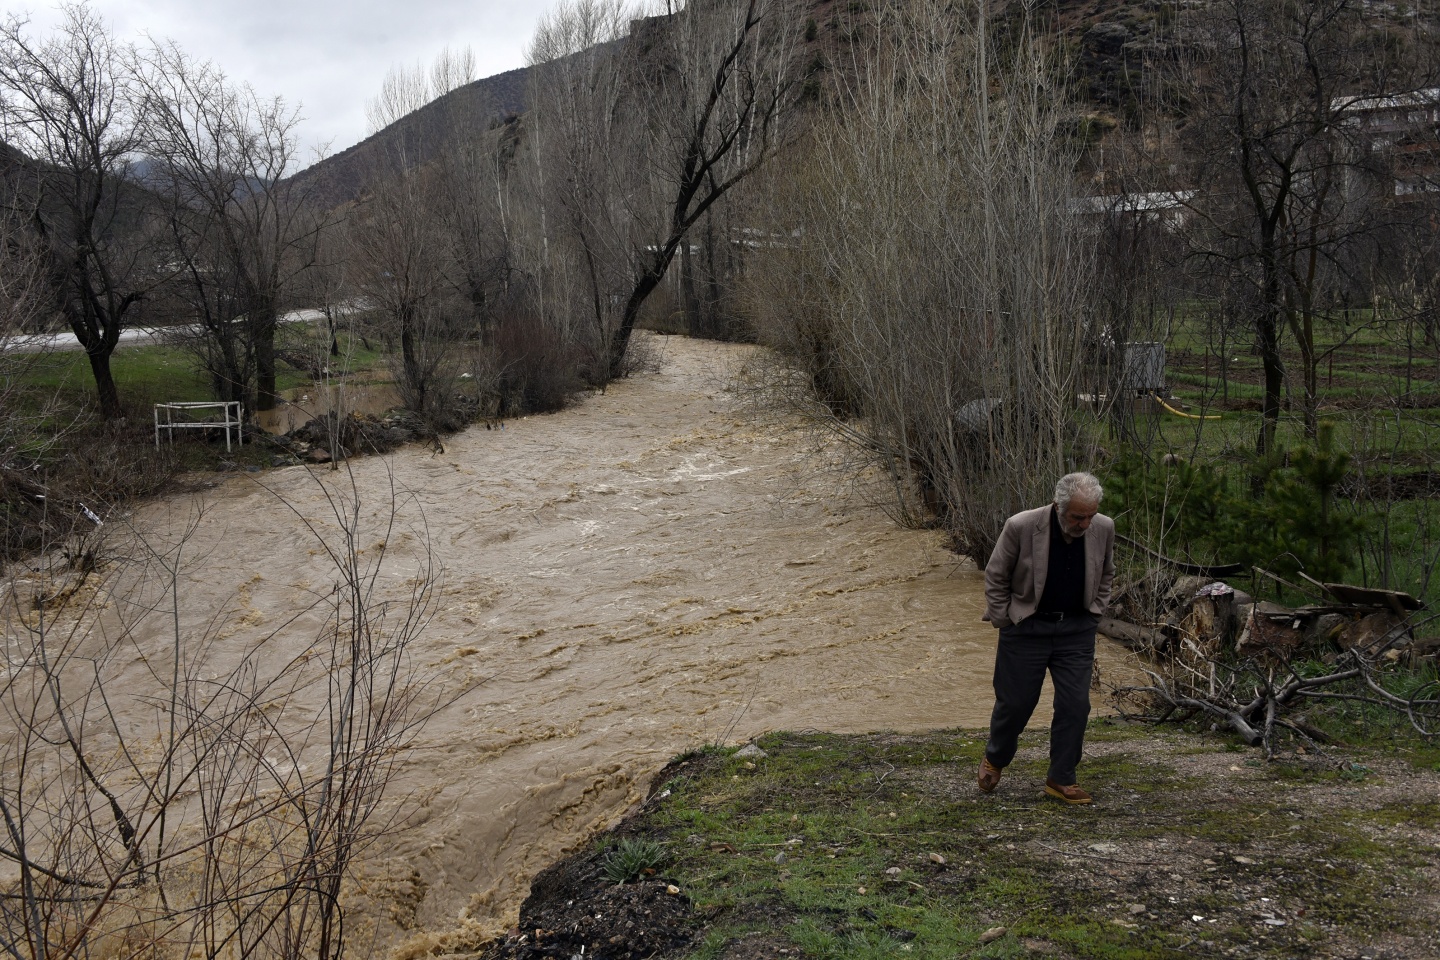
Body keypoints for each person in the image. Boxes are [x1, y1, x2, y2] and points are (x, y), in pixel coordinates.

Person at [978, 472, 1115, 805]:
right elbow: (995, 577)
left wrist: (1096, 610)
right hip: (1026, 629)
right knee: (1017, 703)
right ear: (1058, 507)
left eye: (1090, 516)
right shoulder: (1021, 526)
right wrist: (1005, 621)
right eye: (1077, 517)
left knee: (1076, 706)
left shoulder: (1104, 527)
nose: (1085, 524)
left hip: (1076, 631)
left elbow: (1107, 572)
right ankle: (996, 758)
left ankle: (1061, 779)